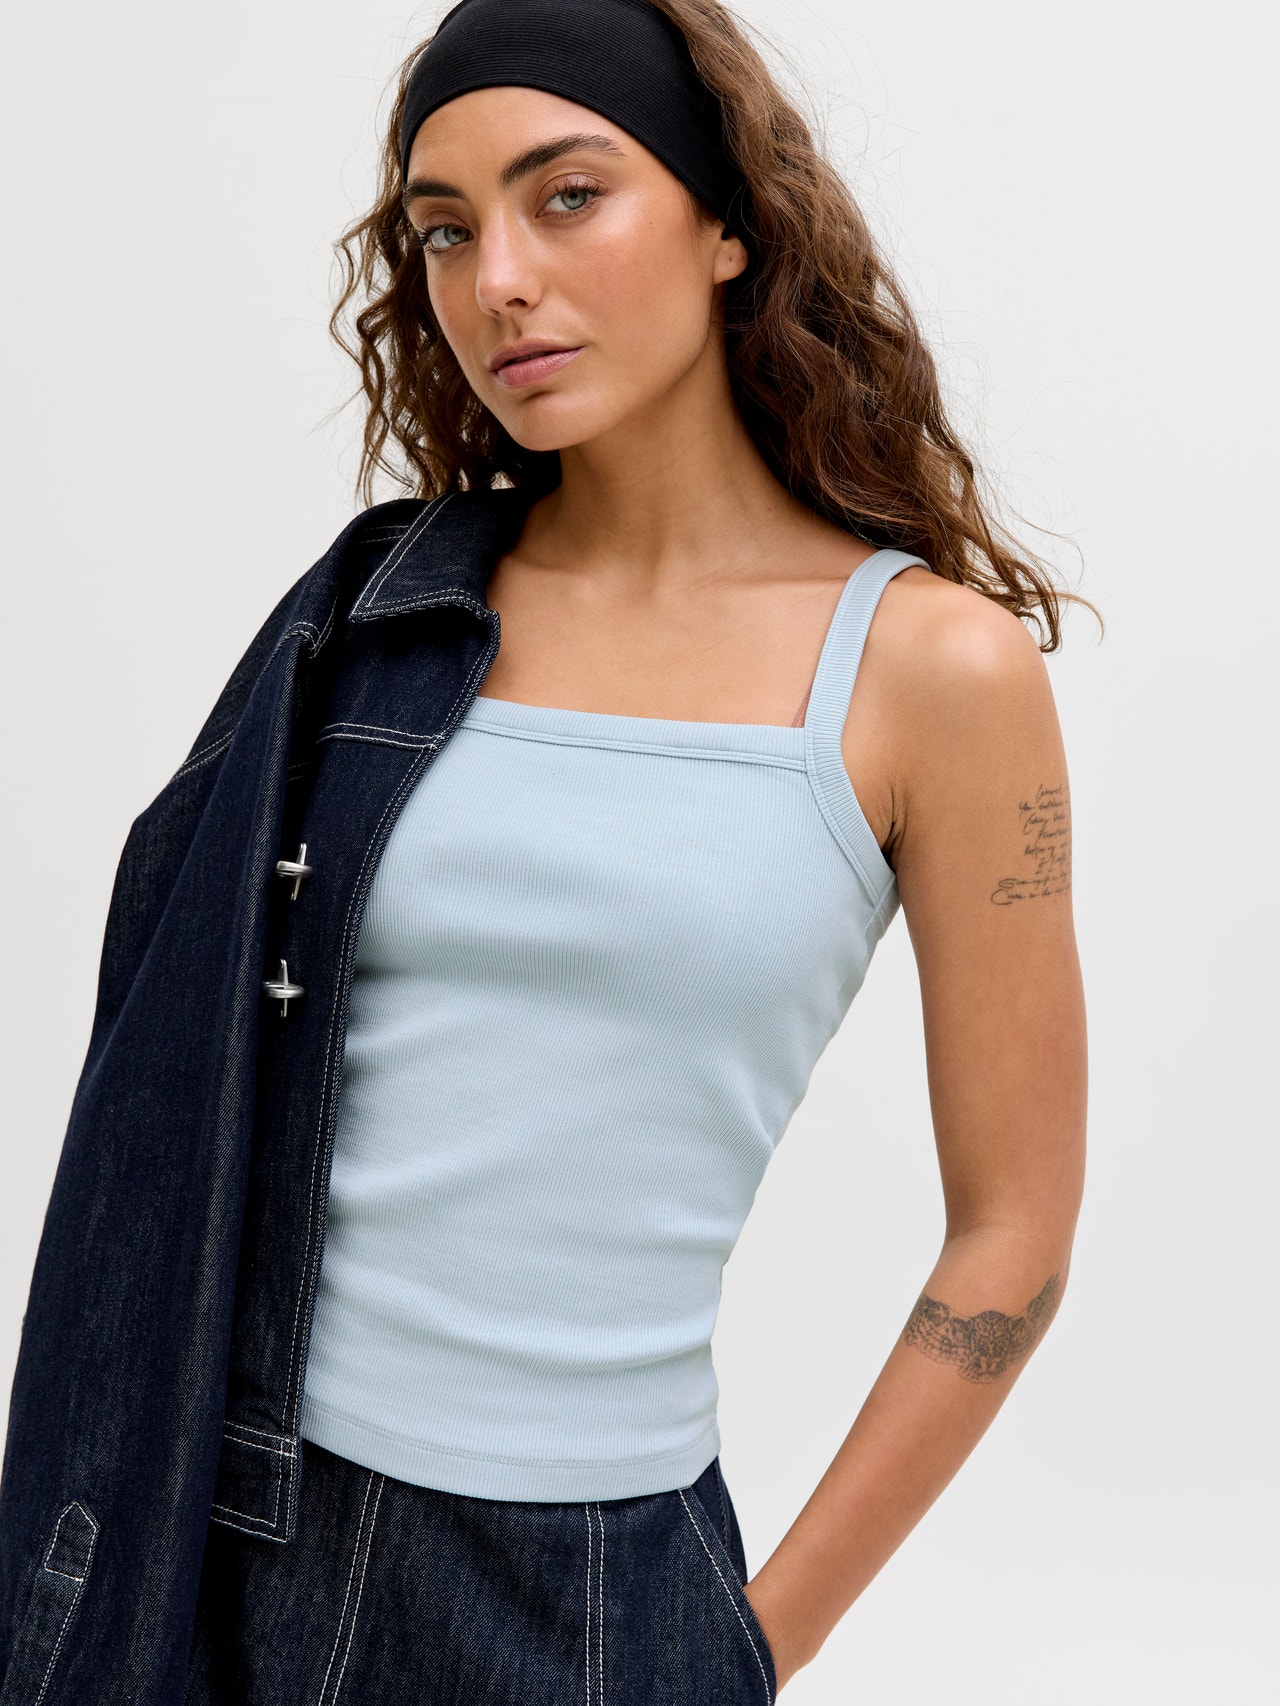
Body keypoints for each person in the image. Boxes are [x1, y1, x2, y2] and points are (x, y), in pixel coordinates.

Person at [0, 1, 1087, 1701]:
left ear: (730, 222)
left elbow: (1015, 1226)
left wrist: (751, 1642)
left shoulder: (931, 672)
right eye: (445, 230)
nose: (496, 278)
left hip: (593, 1588)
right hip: (224, 1527)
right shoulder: (384, 620)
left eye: (566, 195)